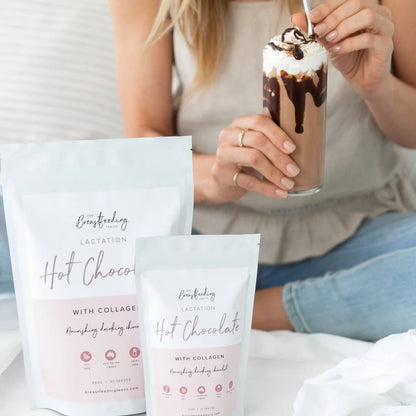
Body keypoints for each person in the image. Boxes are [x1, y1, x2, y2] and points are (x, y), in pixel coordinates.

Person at [109, 0, 416, 341]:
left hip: (358, 229)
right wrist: (214, 178)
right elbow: (144, 142)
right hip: (212, 241)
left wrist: (377, 86)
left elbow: (411, 133)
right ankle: (324, 307)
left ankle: (234, 311)